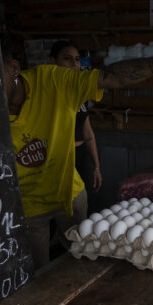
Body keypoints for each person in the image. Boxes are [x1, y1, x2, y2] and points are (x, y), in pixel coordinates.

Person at [1, 36, 153, 270]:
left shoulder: (52, 81)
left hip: (68, 192)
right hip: (29, 206)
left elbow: (112, 78)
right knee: (39, 273)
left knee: (80, 260)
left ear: (13, 69)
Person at [49, 40, 103, 204]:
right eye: (67, 58)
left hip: (81, 157)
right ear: (54, 62)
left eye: (77, 59)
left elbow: (88, 133)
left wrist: (96, 166)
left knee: (84, 204)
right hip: (60, 159)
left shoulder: (79, 94)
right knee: (59, 206)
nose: (74, 63)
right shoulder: (47, 93)